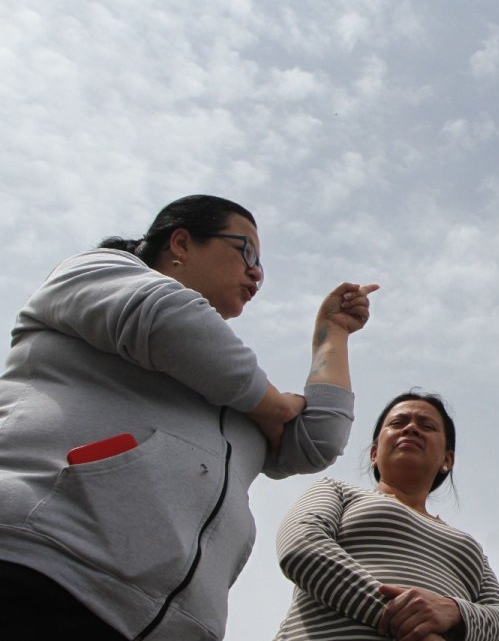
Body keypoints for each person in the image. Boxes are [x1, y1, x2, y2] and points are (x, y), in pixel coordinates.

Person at [0, 195, 377, 640]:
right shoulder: (96, 272)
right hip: (42, 571)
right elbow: (162, 318)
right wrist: (273, 405)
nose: (256, 272)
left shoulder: (233, 384)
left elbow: (318, 440)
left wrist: (331, 333)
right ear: (181, 242)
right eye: (248, 252)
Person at [275, 390, 499, 641]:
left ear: (447, 459)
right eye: (397, 423)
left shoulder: (469, 546)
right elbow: (301, 545)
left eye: (427, 425)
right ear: (374, 453)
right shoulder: (337, 491)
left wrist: (456, 611)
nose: (411, 428)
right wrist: (406, 623)